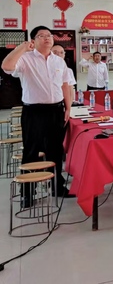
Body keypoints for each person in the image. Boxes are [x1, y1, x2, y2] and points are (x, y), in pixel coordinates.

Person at [1, 26, 74, 199]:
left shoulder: (58, 61)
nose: (47, 38)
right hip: (34, 112)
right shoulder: (25, 59)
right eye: (42, 36)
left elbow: (64, 85)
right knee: (32, 151)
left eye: (49, 35)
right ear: (33, 40)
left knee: (55, 150)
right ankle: (28, 193)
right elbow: (6, 66)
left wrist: (68, 108)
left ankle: (56, 187)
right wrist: (22, 47)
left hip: (56, 110)